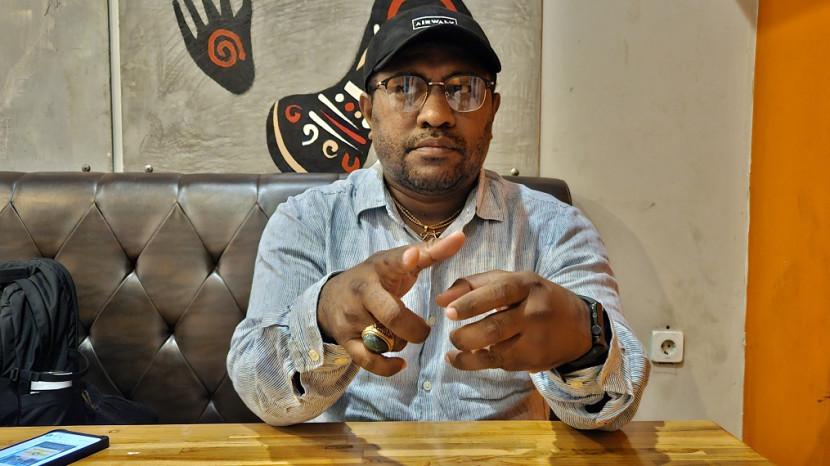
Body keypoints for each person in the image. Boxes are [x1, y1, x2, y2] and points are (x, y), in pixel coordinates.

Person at [227, 5, 649, 430]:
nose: (436, 114)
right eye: (404, 87)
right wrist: (323, 318)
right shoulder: (306, 221)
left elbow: (615, 410)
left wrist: (586, 340)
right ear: (368, 111)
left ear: (492, 111)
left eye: (464, 89)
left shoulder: (557, 229)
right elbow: (263, 395)